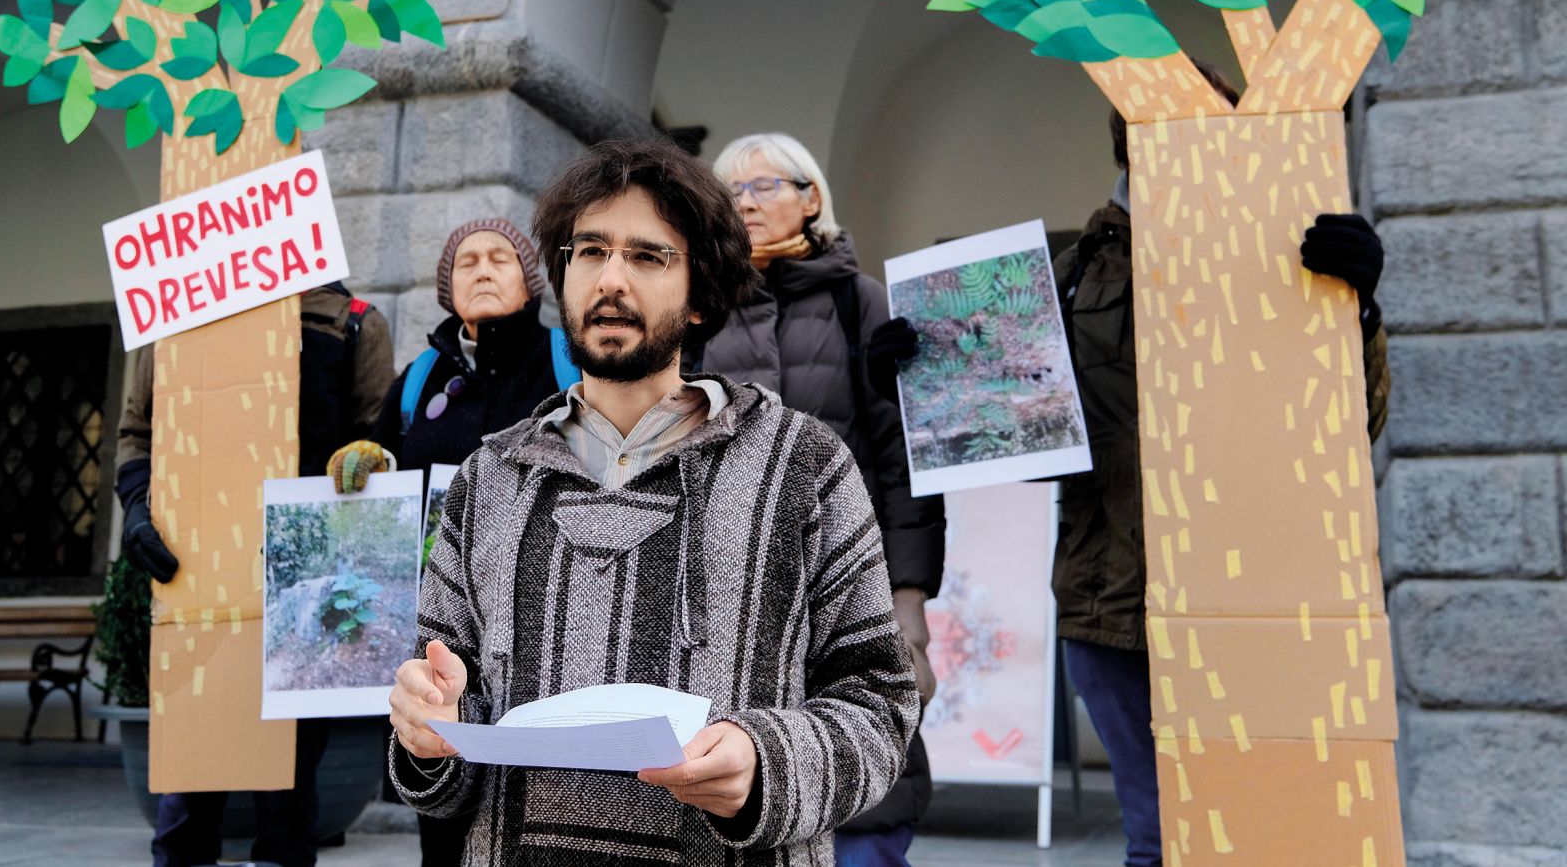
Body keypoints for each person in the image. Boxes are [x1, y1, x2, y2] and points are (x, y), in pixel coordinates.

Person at [869, 59, 1391, 867]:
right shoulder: (1073, 273)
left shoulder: (1289, 245)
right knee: (1159, 836)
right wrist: (919, 376)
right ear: (1131, 145)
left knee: (1274, 832)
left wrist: (1357, 308)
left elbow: (1352, 425)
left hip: (1262, 600)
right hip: (1113, 605)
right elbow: (1025, 443)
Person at [386, 138, 920, 866]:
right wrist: (429, 726)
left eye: (648, 256)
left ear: (702, 297)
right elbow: (444, 742)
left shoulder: (807, 467)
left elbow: (880, 702)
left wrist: (765, 763)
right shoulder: (488, 479)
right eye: (590, 251)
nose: (611, 279)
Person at [699, 132, 945, 867]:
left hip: (848, 580)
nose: (746, 202)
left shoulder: (857, 299)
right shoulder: (699, 306)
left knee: (867, 785)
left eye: (765, 185)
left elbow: (901, 462)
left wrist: (909, 600)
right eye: (732, 191)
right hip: (730, 589)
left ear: (811, 198)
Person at [115, 281, 395, 867]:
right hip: (196, 577)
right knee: (186, 793)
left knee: (288, 795)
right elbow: (138, 430)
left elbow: (377, 432)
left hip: (298, 578)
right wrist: (138, 505)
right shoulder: (178, 309)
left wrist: (368, 460)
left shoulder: (351, 320)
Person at [331, 217, 576, 867]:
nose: (483, 268)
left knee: (536, 797)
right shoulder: (421, 376)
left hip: (542, 616)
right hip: (445, 627)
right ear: (449, 288)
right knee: (442, 792)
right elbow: (384, 457)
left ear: (529, 283)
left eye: (500, 258)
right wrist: (367, 459)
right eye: (467, 261)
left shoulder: (566, 358)